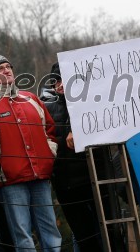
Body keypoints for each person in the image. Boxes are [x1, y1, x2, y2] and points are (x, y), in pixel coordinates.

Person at [0, 55, 62, 252]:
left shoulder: (31, 99)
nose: (7, 70)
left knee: (51, 233)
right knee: (23, 237)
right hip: (10, 180)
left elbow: (49, 130)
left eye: (9, 66)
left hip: (40, 176)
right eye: (1, 68)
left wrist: (49, 155)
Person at [42, 62, 102, 251]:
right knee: (84, 237)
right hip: (66, 183)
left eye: (64, 79)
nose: (60, 84)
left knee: (110, 231)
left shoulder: (93, 102)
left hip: (96, 180)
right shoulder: (46, 108)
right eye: (56, 81)